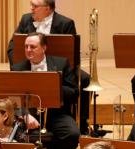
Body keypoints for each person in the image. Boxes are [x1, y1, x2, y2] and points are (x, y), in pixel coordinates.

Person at [7, 0, 89, 134]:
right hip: (30, 64)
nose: (31, 8)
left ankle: (81, 121)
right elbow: (12, 47)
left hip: (58, 66)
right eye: (31, 5)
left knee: (83, 79)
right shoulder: (26, 19)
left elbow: (72, 51)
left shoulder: (65, 23)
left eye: (35, 6)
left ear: (48, 8)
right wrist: (18, 67)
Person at [11, 32, 81, 149]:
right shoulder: (18, 67)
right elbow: (12, 99)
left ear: (44, 48)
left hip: (56, 114)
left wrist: (51, 85)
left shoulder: (61, 64)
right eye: (26, 47)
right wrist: (23, 114)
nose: (28, 50)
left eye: (33, 47)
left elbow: (74, 92)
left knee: (72, 134)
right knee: (13, 135)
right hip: (30, 115)